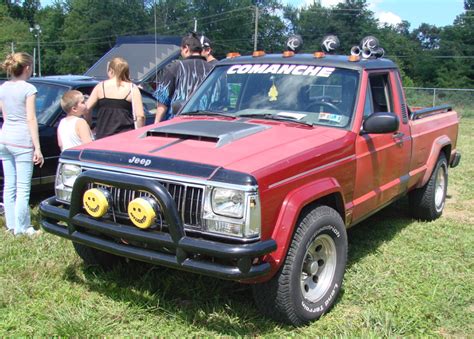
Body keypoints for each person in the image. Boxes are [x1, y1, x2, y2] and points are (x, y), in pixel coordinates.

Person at [0, 52, 44, 236]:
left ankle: (11, 224)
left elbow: (5, 114)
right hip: (21, 140)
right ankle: (24, 227)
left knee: (9, 184)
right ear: (27, 68)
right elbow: (31, 118)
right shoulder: (29, 88)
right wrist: (38, 147)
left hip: (5, 137)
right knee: (23, 187)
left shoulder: (3, 87)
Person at [154, 32, 212, 122]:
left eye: (181, 50)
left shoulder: (175, 67)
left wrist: (156, 123)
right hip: (206, 122)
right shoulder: (213, 70)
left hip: (177, 123)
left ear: (186, 48)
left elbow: (163, 101)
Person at [86, 57, 145, 139]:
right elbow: (140, 116)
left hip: (103, 135)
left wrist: (89, 125)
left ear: (111, 70)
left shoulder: (100, 86)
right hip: (126, 136)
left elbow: (87, 108)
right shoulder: (132, 88)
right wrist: (139, 135)